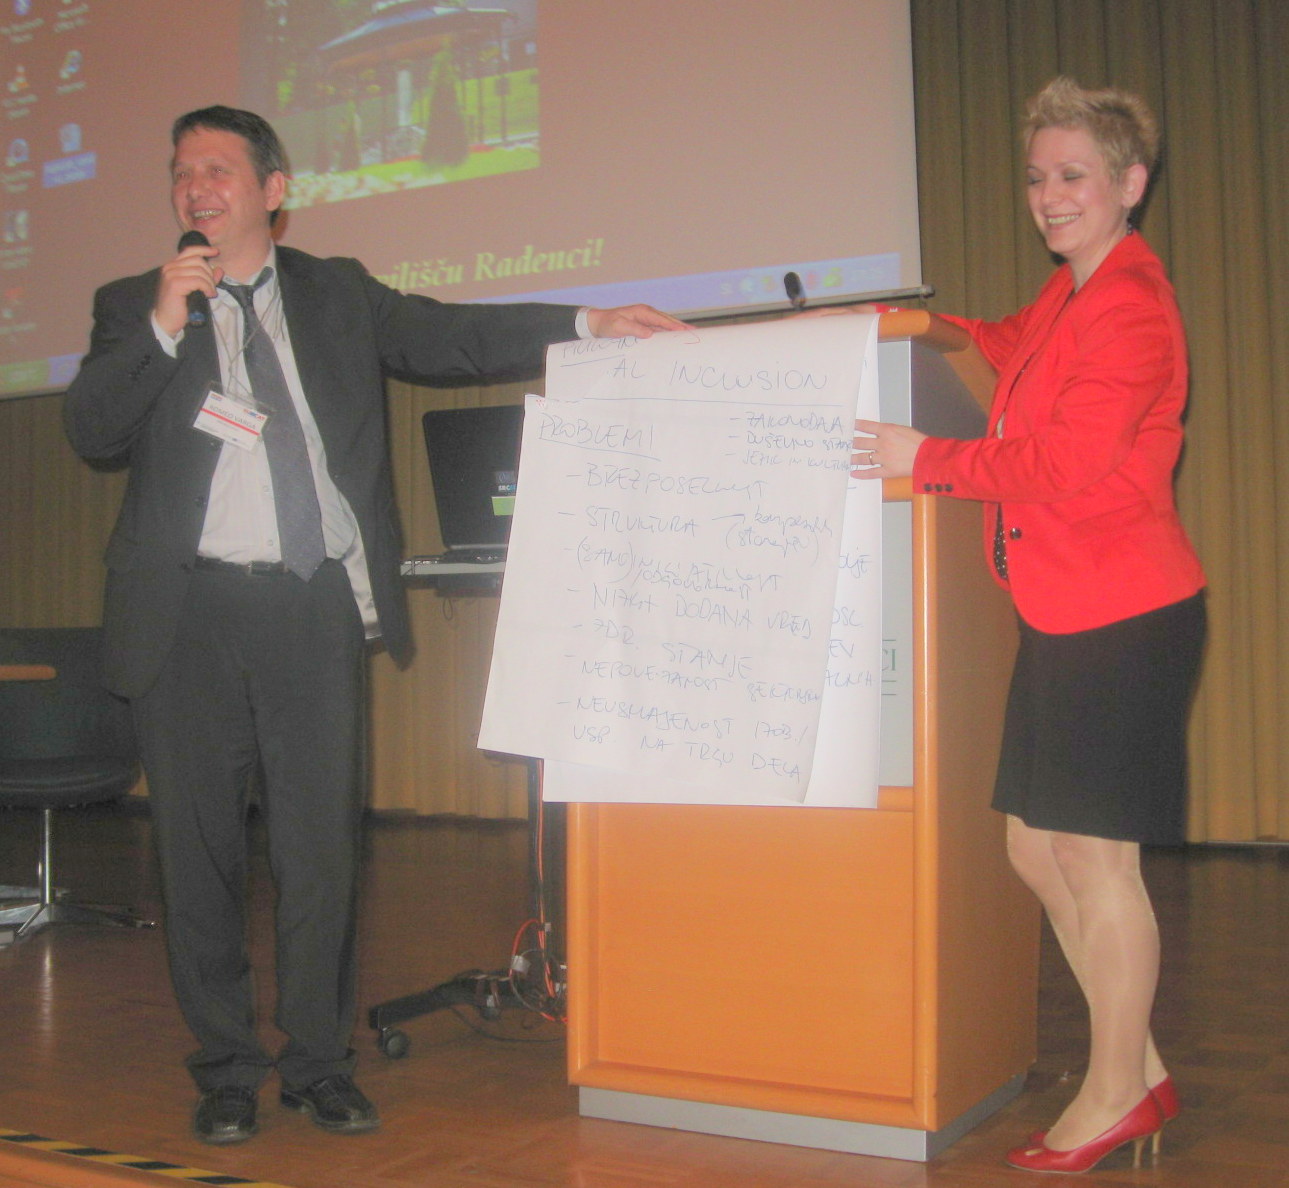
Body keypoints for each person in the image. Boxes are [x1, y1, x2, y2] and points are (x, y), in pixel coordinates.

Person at [63, 105, 685, 1147]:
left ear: (273, 190)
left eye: (217, 168)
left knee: (319, 854)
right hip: (187, 613)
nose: (195, 186)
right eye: (180, 172)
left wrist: (586, 323)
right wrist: (165, 327)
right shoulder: (133, 304)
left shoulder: (336, 292)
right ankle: (226, 1068)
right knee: (198, 858)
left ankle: (318, 1063)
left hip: (311, 603)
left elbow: (451, 335)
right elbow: (92, 429)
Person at [847, 79, 1206, 1173]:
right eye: (1038, 177)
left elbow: (1066, 461)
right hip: (1066, 611)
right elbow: (996, 339)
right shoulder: (1071, 292)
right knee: (1033, 847)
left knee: (1096, 860)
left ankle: (1114, 1093)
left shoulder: (1131, 305)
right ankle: (1134, 1067)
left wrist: (926, 459)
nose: (1048, 196)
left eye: (1072, 176)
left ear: (1127, 184)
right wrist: (901, 323)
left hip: (1124, 614)